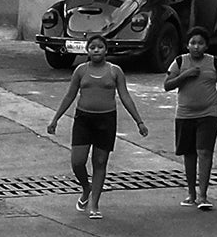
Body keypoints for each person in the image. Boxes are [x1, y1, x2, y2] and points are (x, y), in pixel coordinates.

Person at [45, 37, 147, 218]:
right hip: (84, 119)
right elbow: (70, 95)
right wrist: (55, 119)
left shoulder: (115, 71)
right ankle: (86, 187)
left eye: (100, 47)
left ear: (106, 50)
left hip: (106, 120)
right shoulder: (80, 71)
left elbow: (125, 97)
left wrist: (139, 121)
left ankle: (94, 204)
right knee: (77, 162)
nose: (96, 50)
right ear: (87, 50)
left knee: (100, 162)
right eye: (92, 47)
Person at [161, 28, 217, 211]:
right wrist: (184, 75)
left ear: (206, 45)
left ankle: (203, 195)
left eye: (200, 43)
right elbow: (167, 85)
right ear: (187, 45)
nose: (196, 47)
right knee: (189, 155)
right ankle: (191, 193)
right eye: (192, 43)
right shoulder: (179, 62)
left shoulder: (214, 63)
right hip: (185, 115)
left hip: (209, 115)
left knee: (204, 152)